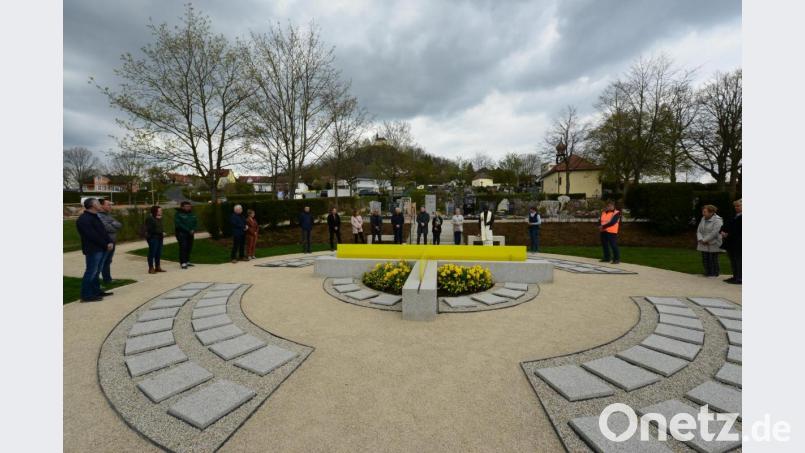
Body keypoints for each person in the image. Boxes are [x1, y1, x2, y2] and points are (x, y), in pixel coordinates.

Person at [76, 198, 113, 302]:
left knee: (96, 271)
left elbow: (103, 232)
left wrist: (109, 241)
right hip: (93, 249)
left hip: (101, 248)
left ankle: (96, 291)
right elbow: (92, 236)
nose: (99, 204)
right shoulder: (84, 219)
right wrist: (105, 244)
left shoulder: (95, 216)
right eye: (97, 203)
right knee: (91, 271)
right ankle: (86, 295)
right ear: (92, 205)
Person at [97, 198, 122, 284]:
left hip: (112, 242)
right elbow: (107, 227)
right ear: (101, 205)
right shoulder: (99, 216)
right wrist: (112, 224)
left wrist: (112, 223)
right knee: (102, 262)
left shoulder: (108, 215)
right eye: (108, 204)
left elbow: (119, 225)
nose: (110, 206)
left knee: (108, 261)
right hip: (106, 243)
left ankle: (107, 279)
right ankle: (98, 282)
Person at [697, 204, 723, 278]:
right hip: (703, 242)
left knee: (712, 258)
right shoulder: (703, 218)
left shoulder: (718, 220)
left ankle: (714, 273)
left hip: (713, 242)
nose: (703, 213)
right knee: (705, 258)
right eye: (703, 211)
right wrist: (700, 239)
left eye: (705, 212)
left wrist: (705, 240)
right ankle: (707, 272)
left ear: (711, 212)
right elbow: (699, 230)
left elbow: (714, 233)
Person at [720, 199, 742, 284]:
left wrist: (728, 234)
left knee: (739, 260)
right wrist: (722, 231)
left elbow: (739, 230)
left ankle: (740, 278)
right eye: (735, 206)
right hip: (731, 242)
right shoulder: (733, 216)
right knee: (733, 260)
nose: (736, 207)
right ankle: (735, 276)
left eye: (738, 206)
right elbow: (725, 225)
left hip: (739, 242)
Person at [174, 201, 197, 269]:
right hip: (181, 233)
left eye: (189, 206)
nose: (188, 208)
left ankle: (187, 261)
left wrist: (193, 229)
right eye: (187, 206)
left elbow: (195, 222)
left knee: (189, 247)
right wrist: (188, 230)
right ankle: (183, 262)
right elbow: (179, 224)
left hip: (191, 233)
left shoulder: (192, 214)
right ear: (182, 207)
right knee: (183, 247)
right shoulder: (178, 214)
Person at [145, 205, 166, 273]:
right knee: (152, 253)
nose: (161, 211)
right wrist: (161, 233)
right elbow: (150, 229)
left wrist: (162, 232)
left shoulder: (159, 218)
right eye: (160, 210)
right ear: (155, 211)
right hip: (153, 238)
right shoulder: (150, 219)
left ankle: (158, 267)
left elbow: (160, 227)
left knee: (158, 253)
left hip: (160, 238)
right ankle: (151, 268)